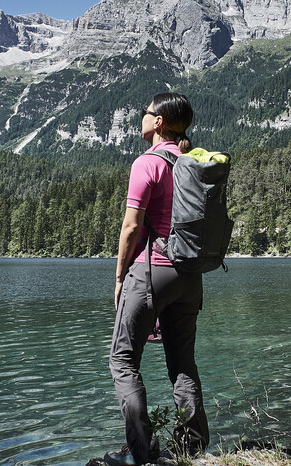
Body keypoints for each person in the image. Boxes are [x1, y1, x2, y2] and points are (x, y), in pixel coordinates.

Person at [106, 93, 210, 466]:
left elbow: (131, 226)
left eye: (146, 113)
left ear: (159, 122)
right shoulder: (192, 162)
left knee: (122, 360)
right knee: (183, 364)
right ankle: (192, 448)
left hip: (152, 270)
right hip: (190, 275)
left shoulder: (147, 162)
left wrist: (120, 277)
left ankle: (142, 453)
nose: (142, 117)